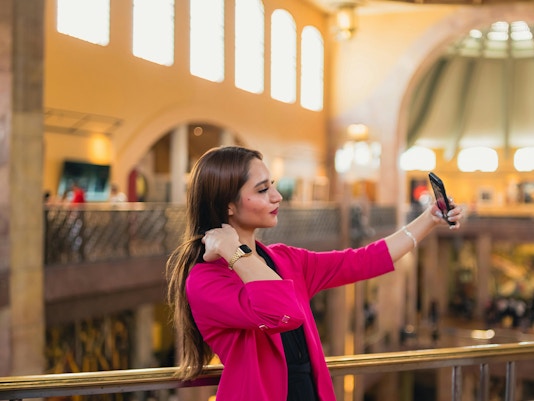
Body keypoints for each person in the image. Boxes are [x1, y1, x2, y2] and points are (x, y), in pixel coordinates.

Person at [165, 145, 465, 401]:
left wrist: (429, 219)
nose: (277, 196)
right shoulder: (206, 280)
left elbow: (364, 260)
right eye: (262, 189)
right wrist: (235, 254)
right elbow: (281, 311)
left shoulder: (285, 259)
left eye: (272, 185)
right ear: (228, 205)